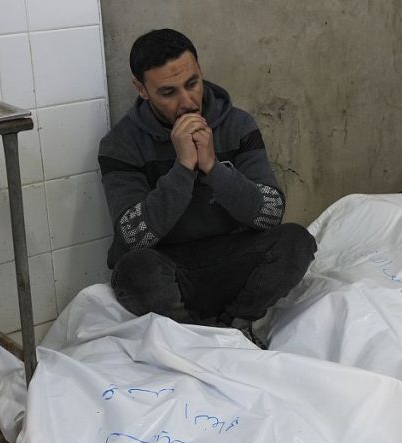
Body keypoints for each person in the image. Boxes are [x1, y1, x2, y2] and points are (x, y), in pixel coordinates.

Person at [98, 29, 316, 345]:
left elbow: (270, 216)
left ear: (201, 72)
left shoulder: (238, 125)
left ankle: (234, 327)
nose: (187, 103)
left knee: (296, 241)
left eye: (192, 84)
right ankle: (195, 337)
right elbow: (134, 237)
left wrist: (214, 168)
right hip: (170, 269)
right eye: (168, 92)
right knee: (134, 271)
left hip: (231, 257)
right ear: (142, 90)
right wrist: (183, 168)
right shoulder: (120, 144)